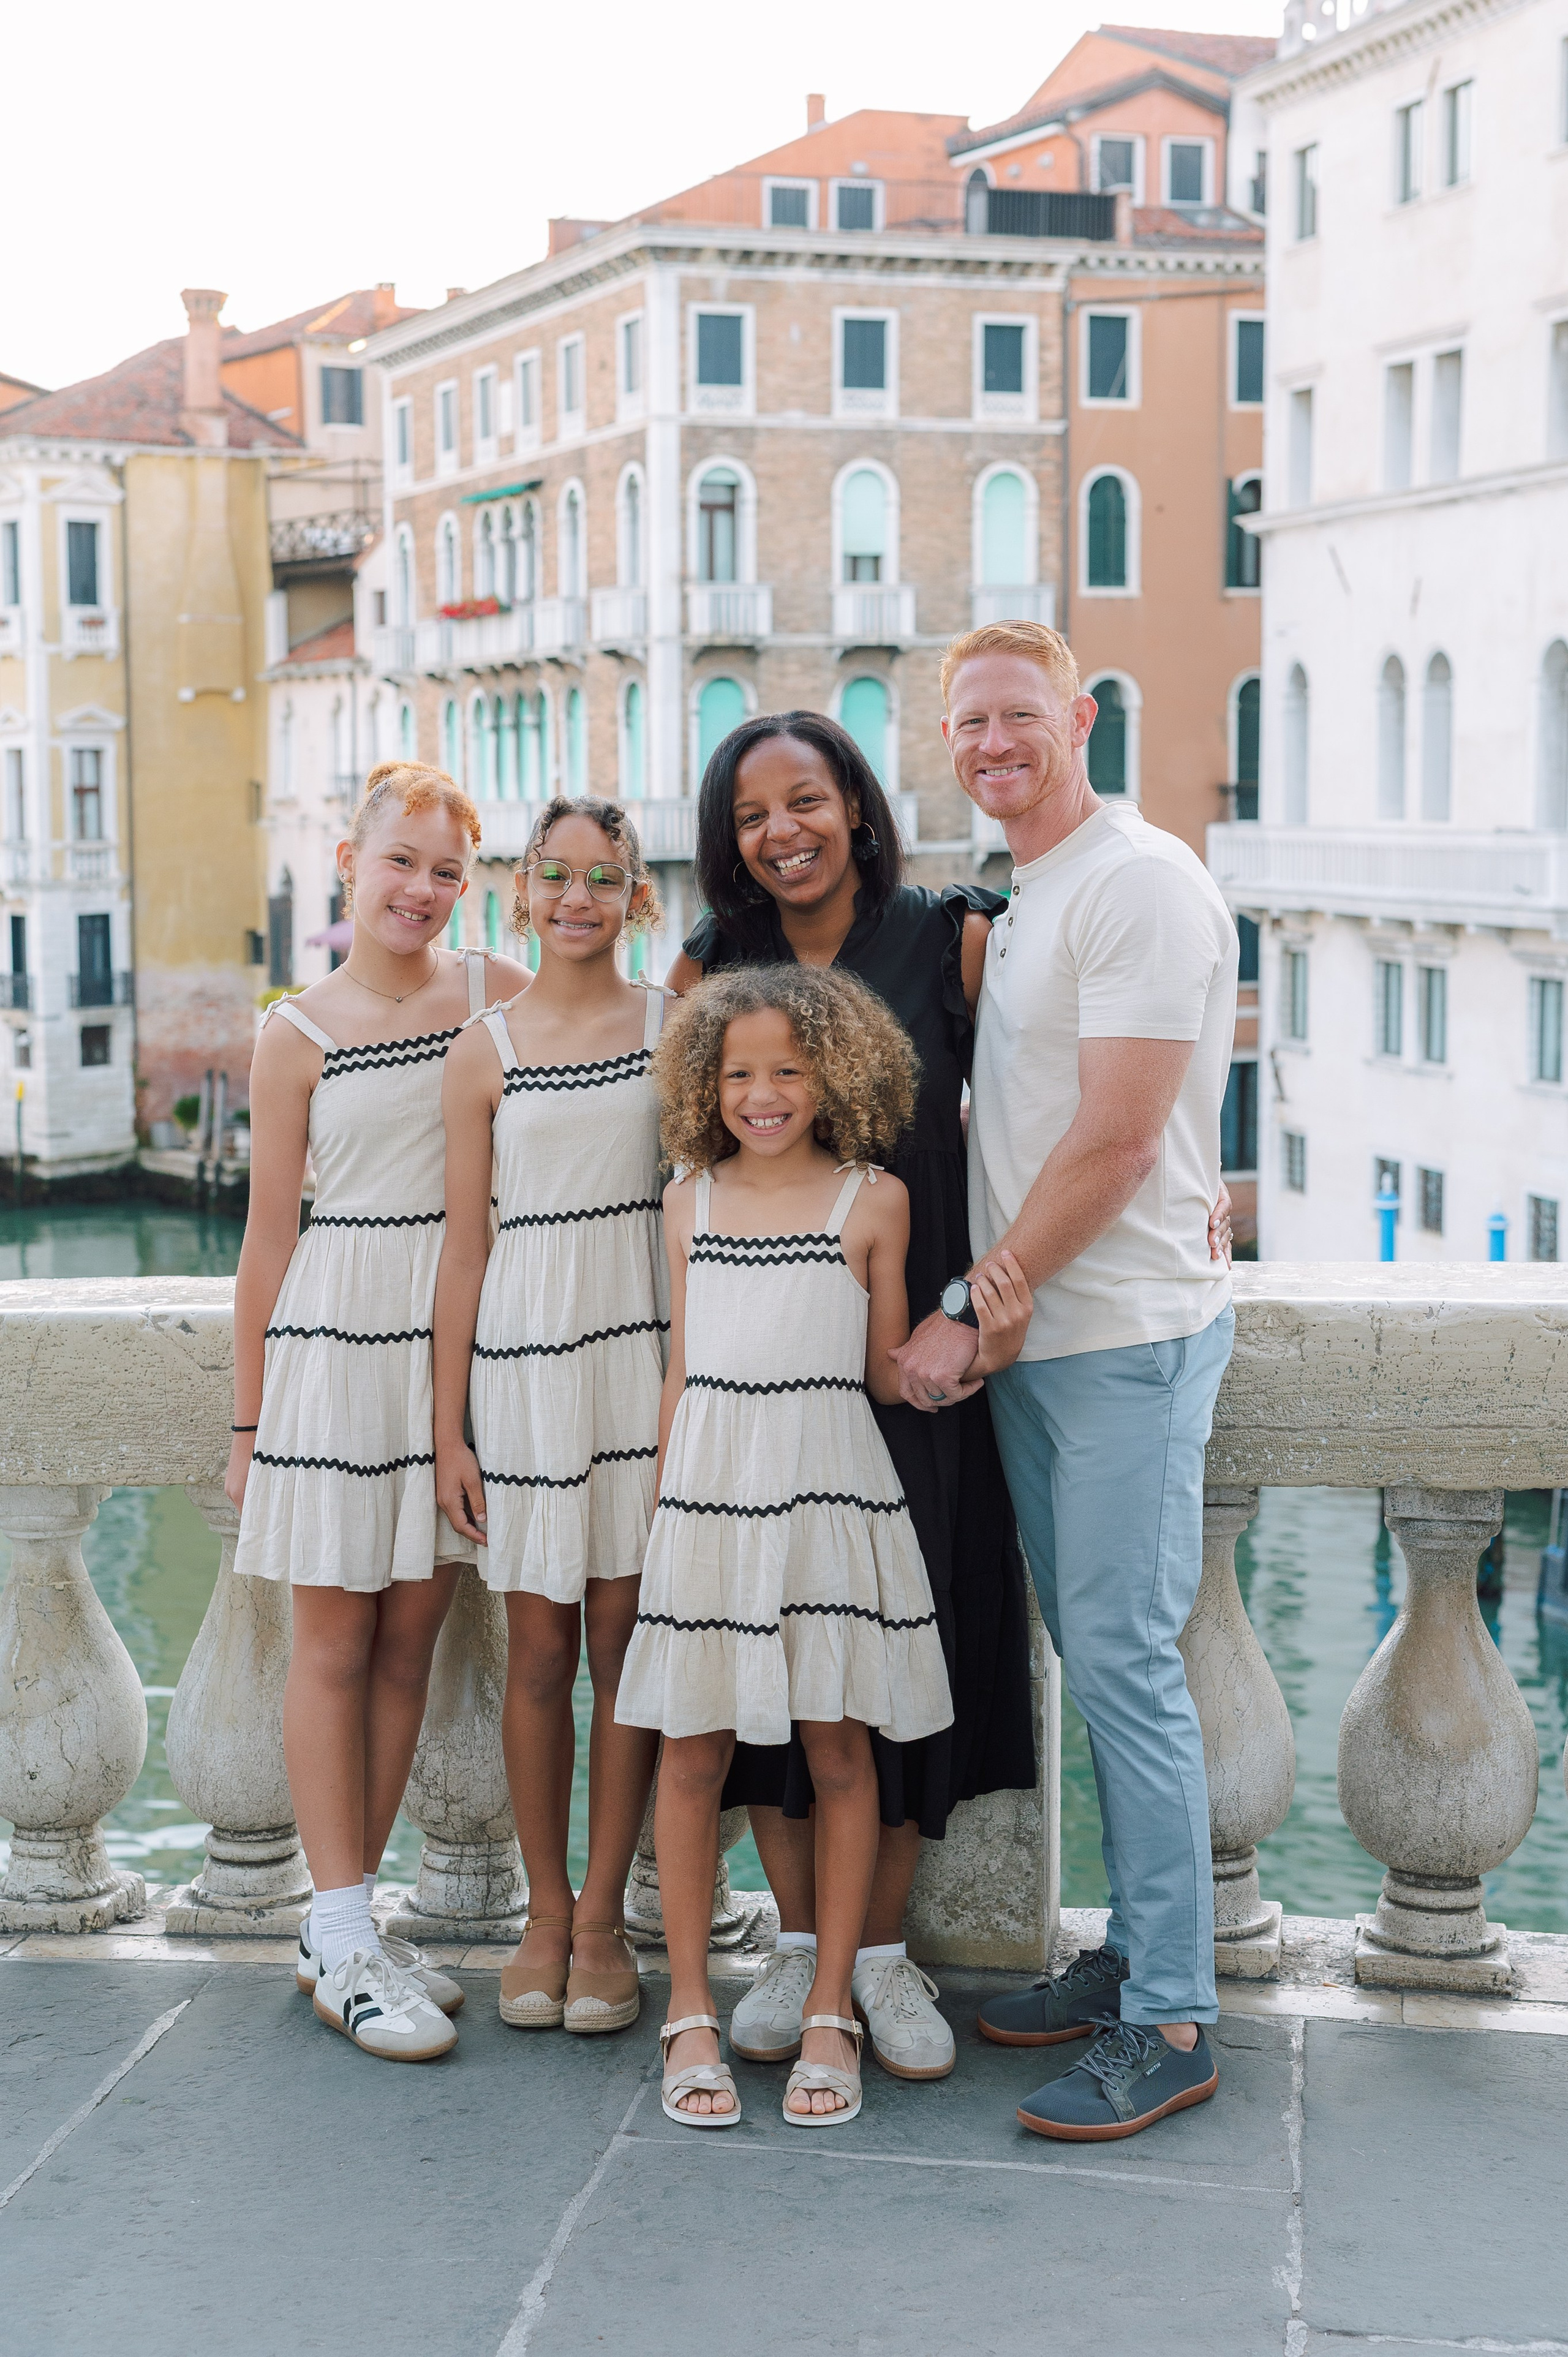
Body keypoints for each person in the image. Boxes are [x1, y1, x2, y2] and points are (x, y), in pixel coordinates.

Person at [894, 620, 1240, 2142]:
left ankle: (1169, 2014)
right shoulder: (1035, 893)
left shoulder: (1140, 880)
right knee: (1100, 1662)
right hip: (1061, 1342)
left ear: (1079, 716)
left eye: (1016, 715)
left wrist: (970, 1302)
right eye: (968, 724)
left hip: (1116, 1343)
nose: (990, 744)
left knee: (1124, 1668)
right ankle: (1133, 1959)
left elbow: (1112, 1138)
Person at [665, 711, 1037, 2084]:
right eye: (754, 811)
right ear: (731, 838)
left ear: (856, 808)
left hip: (919, 1362)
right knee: (765, 1658)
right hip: (761, 1376)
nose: (783, 829)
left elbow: (1044, 1103)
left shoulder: (950, 941)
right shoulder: (707, 964)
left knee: (898, 1657)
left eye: (806, 799)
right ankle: (798, 1943)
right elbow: (665, 1152)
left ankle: (876, 1958)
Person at [617, 965, 1028, 2127]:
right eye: (740, 1072)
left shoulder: (874, 1201)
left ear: (834, 1074)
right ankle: (690, 2008)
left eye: (788, 1071)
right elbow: (683, 1372)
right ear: (707, 1081)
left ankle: (830, 2012)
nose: (763, 1093)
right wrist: (665, 1511)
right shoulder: (686, 1198)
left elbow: (886, 1373)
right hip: (710, 1505)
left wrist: (985, 1344)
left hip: (833, 1501)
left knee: (842, 1755)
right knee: (692, 1758)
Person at [228, 760, 530, 2062]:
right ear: (350, 858)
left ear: (470, 887)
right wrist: (249, 1424)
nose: (421, 887)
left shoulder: (493, 994)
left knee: (414, 1635)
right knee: (333, 1644)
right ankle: (340, 1927)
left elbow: (650, 1023)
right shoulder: (292, 1031)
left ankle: (346, 1923)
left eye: (447, 870)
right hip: (335, 1347)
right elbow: (262, 1236)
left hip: (450, 1347)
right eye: (401, 859)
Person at [434, 797, 668, 2037]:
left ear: (635, 895)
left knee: (627, 1650)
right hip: (521, 1368)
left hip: (637, 1362)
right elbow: (463, 1248)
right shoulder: (483, 1049)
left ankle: (601, 1924)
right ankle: (540, 1908)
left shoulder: (674, 1029)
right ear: (520, 889)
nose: (575, 898)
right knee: (538, 1653)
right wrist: (448, 1429)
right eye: (554, 875)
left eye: (601, 878)